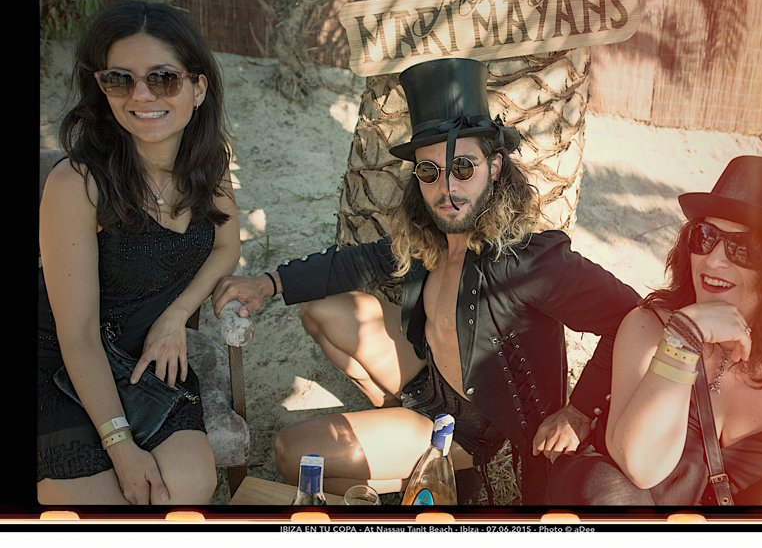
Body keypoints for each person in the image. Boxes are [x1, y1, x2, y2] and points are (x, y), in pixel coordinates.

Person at [212, 57, 639, 504]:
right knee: (321, 309)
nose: (446, 188)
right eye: (430, 172)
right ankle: (411, 455)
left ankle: (442, 468)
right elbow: (358, 262)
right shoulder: (431, 236)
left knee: (291, 452)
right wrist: (268, 283)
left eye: (463, 168)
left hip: (470, 428)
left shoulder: (529, 262)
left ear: (495, 166)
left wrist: (579, 411)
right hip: (428, 380)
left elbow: (630, 316)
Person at [38, 0, 241, 505]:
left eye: (163, 78)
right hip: (62, 360)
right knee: (98, 510)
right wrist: (121, 446)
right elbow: (77, 334)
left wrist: (175, 317)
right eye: (119, 79)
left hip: (145, 354)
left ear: (198, 88)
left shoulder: (208, 164)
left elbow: (226, 245)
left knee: (187, 488)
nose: (141, 95)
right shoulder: (77, 183)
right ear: (102, 88)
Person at [546, 155, 762, 505]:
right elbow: (642, 467)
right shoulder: (650, 325)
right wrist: (683, 340)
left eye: (743, 248)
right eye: (706, 236)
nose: (713, 259)